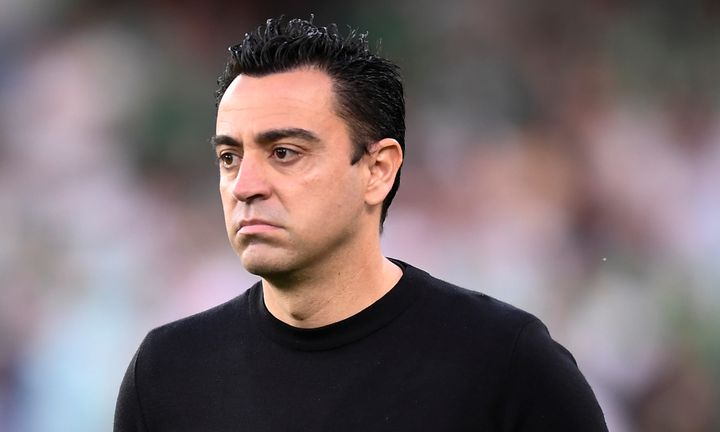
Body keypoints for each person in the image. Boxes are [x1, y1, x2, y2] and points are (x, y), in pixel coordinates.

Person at [114, 16, 608, 431]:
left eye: (284, 153)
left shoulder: (505, 365)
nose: (245, 185)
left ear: (378, 170)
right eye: (229, 157)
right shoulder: (169, 373)